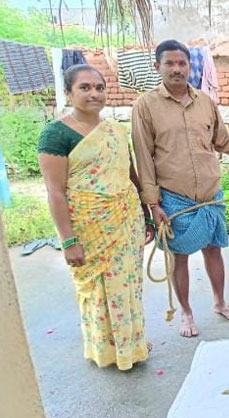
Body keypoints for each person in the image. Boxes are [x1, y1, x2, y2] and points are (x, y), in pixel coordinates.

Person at [131, 40, 229, 338]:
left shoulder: (205, 102)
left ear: (190, 66)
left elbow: (226, 143)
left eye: (182, 63)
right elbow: (143, 159)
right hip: (174, 198)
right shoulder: (145, 106)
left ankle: (219, 302)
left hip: (210, 196)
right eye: (170, 63)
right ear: (157, 67)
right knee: (180, 257)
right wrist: (153, 204)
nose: (177, 69)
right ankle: (186, 313)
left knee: (214, 250)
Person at [38, 64, 154, 370]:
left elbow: (130, 175)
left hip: (126, 221)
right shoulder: (55, 134)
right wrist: (68, 241)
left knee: (127, 285)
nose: (94, 93)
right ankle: (107, 350)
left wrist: (147, 215)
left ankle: (132, 343)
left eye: (99, 87)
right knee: (98, 291)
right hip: (89, 225)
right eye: (85, 87)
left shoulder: (115, 130)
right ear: (68, 93)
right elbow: (55, 192)